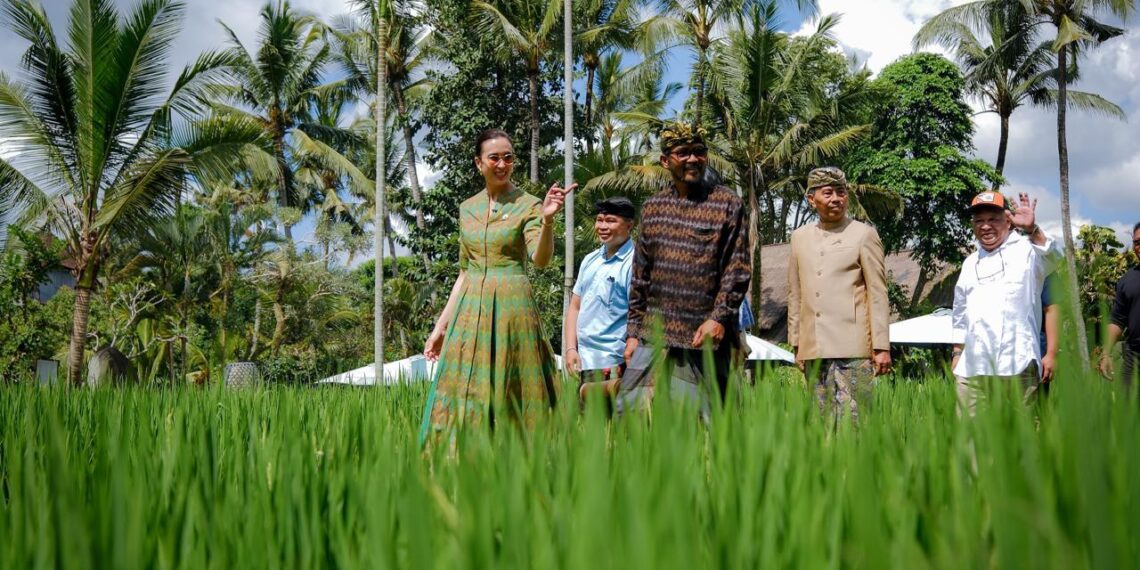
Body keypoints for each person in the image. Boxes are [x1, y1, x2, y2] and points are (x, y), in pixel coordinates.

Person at [419, 128, 574, 445]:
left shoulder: (529, 204)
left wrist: (547, 221)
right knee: (464, 390)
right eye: (494, 158)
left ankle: (524, 467)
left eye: (508, 157)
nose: (502, 164)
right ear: (479, 163)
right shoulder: (467, 208)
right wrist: (440, 326)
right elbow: (464, 273)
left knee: (514, 391)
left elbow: (540, 259)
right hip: (470, 310)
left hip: (511, 308)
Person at [617, 122, 751, 418]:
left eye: (699, 152)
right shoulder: (653, 208)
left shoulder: (726, 202)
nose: (693, 159)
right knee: (631, 417)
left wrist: (718, 318)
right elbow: (641, 277)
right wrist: (633, 333)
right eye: (683, 153)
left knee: (711, 425)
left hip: (706, 337)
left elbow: (737, 268)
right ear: (665, 161)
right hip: (655, 336)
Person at [787, 167, 891, 422]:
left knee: (856, 423)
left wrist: (881, 346)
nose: (836, 198)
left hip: (853, 348)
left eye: (841, 192)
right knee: (820, 424)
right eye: (828, 192)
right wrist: (797, 342)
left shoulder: (863, 234)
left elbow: (877, 292)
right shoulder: (799, 238)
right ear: (812, 200)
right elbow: (795, 292)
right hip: (813, 348)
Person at [952, 191, 1061, 413]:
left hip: (1018, 364)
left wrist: (1032, 229)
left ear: (1008, 221)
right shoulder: (970, 263)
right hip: (973, 369)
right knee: (970, 440)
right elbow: (960, 315)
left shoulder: (1028, 251)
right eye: (979, 220)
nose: (985, 226)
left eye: (993, 219)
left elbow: (1055, 257)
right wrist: (956, 353)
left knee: (1021, 439)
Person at [564, 197, 637, 403]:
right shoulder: (590, 259)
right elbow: (575, 307)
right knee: (587, 431)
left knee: (617, 430)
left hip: (614, 363)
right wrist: (571, 348)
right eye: (599, 220)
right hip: (583, 362)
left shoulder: (635, 263)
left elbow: (639, 314)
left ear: (630, 225)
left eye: (611, 221)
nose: (602, 226)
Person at [1100, 222, 1140, 387]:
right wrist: (1106, 354)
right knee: (1129, 411)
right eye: (1137, 242)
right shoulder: (1126, 281)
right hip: (1134, 357)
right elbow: (1117, 320)